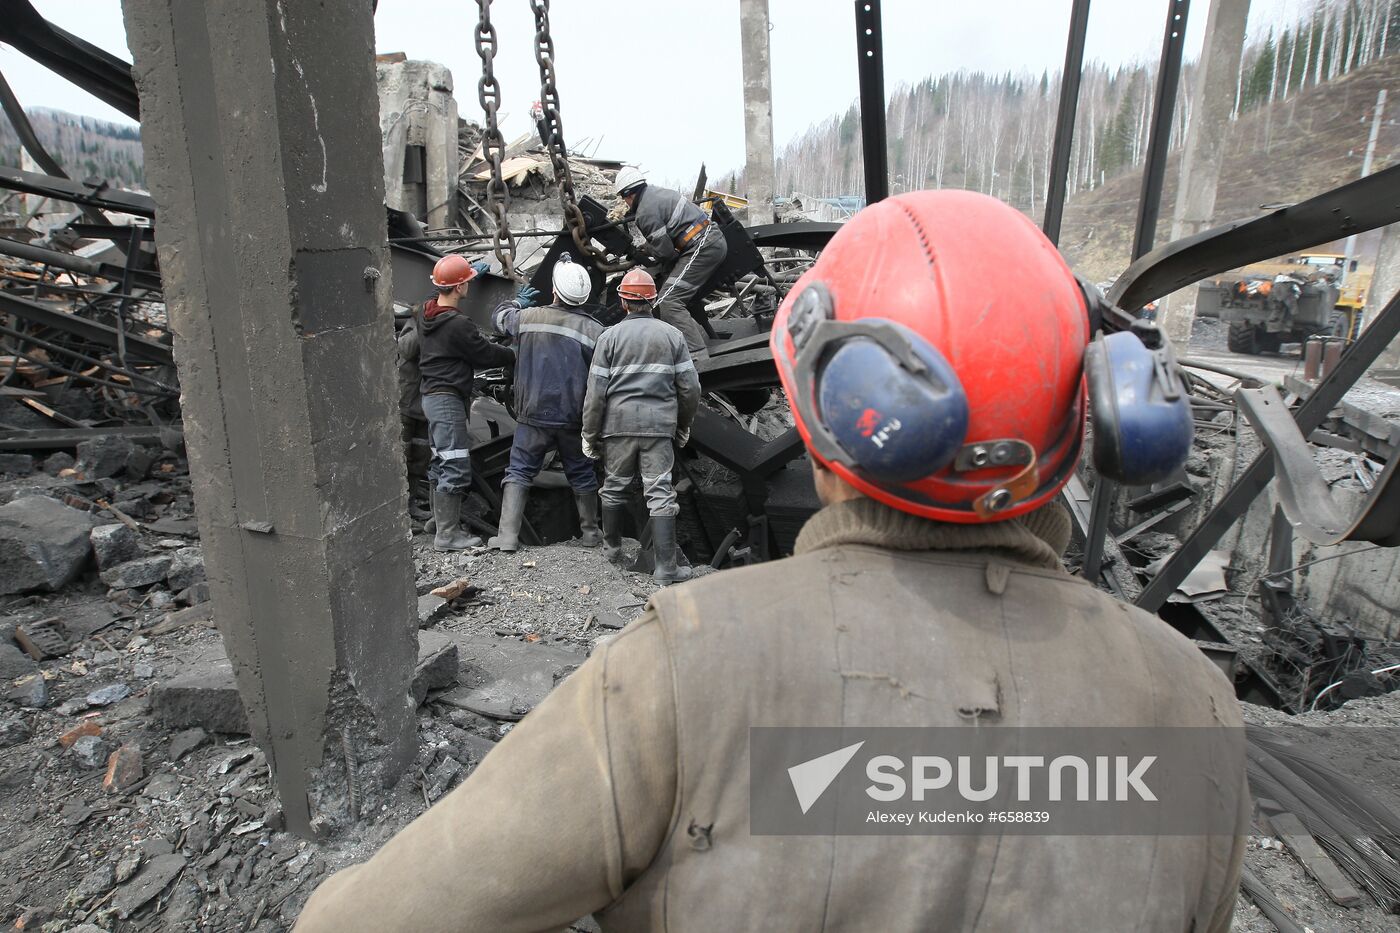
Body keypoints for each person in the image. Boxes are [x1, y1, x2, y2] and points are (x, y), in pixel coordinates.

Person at [294, 191, 1247, 933]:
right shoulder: (1195, 703)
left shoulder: (686, 669)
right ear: (1099, 417)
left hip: (595, 448)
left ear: (825, 403)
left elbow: (367, 919)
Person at [581, 268, 700, 584]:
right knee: (660, 493)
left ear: (623, 302)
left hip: (617, 427)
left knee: (614, 488)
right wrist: (683, 424)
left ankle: (611, 550)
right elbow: (690, 388)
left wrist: (590, 435)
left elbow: (595, 394)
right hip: (658, 428)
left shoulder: (608, 338)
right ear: (653, 300)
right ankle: (666, 569)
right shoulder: (673, 336)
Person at [486, 258, 607, 552]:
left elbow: (498, 318)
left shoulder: (528, 317)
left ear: (554, 290)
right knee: (581, 472)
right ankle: (591, 534)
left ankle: (507, 537)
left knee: (519, 471)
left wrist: (515, 301)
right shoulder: (596, 331)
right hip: (573, 417)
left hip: (533, 413)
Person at [418, 254, 515, 551]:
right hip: (447, 398)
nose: (471, 284)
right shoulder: (458, 324)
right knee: (456, 462)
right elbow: (484, 354)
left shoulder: (426, 313)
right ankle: (447, 534)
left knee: (440, 458)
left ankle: (438, 520)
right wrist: (512, 355)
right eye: (468, 281)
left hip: (432, 397)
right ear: (459, 287)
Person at [613, 166, 725, 361]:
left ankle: (698, 357)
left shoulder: (645, 213)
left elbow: (665, 252)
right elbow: (667, 238)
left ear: (628, 194)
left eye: (624, 198)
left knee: (668, 302)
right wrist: (648, 248)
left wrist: (647, 251)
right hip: (707, 240)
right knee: (670, 289)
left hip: (702, 248)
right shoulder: (656, 193)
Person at [395, 321, 433, 524]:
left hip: (426, 407)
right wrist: (423, 322)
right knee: (401, 458)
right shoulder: (414, 324)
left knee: (420, 460)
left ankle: (410, 505)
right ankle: (398, 514)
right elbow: (406, 349)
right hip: (405, 403)